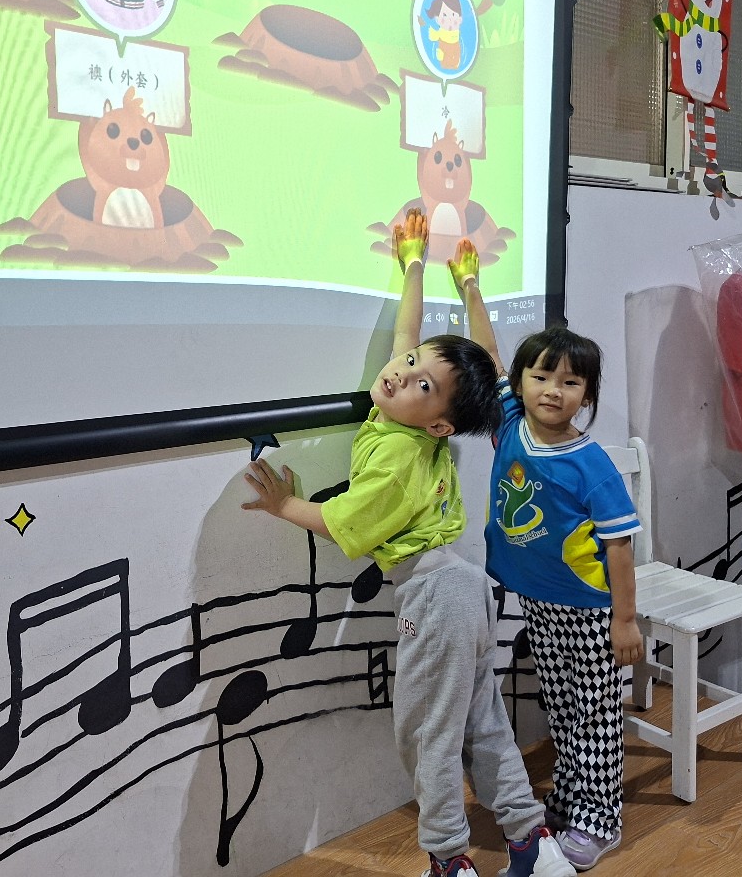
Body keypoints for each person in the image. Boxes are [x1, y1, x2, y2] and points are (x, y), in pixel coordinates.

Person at [241, 210, 574, 877]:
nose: (400, 372)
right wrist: (415, 264)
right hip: (466, 591)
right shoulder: (407, 420)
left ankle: (449, 861)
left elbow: (345, 522)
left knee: (427, 736)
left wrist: (284, 506)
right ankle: (533, 847)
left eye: (421, 383)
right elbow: (407, 338)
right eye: (410, 364)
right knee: (482, 723)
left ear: (441, 424)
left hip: (436, 599)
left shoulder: (396, 454)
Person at [453, 239, 642, 872]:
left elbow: (619, 546)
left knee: (594, 714)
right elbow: (487, 357)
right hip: (536, 598)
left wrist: (624, 620)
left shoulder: (592, 464)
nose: (553, 390)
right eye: (540, 377)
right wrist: (472, 289)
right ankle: (569, 802)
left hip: (588, 610)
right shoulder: (509, 425)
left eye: (570, 382)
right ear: (520, 384)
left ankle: (599, 822)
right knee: (561, 707)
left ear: (587, 394)